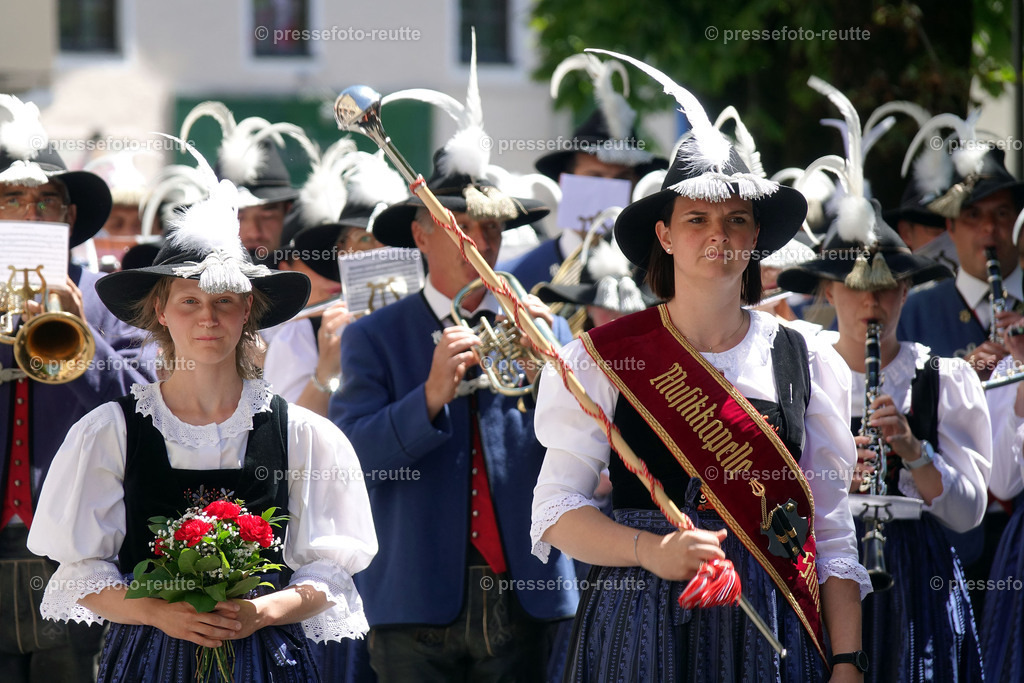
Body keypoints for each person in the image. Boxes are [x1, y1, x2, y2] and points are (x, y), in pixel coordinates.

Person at [531, 53, 868, 682]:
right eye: (697, 218)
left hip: (770, 614)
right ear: (664, 235)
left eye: (737, 219)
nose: (719, 234)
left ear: (756, 235)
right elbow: (555, 512)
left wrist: (847, 661)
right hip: (640, 618)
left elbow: (831, 530)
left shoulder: (807, 358)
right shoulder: (606, 358)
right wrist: (651, 551)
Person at [25, 152, 377, 682]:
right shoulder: (112, 432)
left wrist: (263, 612)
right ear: (161, 312)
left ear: (249, 310)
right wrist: (155, 611)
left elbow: (328, 573)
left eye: (226, 300)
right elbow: (81, 572)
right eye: (189, 301)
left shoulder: (302, 435)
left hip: (266, 660)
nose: (208, 317)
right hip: (149, 657)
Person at [330, 127, 580, 679]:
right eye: (460, 227)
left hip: (525, 590)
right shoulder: (374, 336)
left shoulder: (545, 327)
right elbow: (350, 459)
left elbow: (591, 449)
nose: (480, 243)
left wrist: (557, 372)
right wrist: (429, 398)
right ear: (422, 237)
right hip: (410, 596)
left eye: (490, 228)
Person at [778, 202, 989, 682]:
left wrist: (916, 452)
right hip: (823, 567)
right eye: (856, 289)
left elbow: (968, 513)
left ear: (906, 290)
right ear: (830, 290)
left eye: (887, 289)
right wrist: (831, 483)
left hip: (916, 567)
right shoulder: (798, 376)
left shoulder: (943, 378)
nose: (871, 305)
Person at [0, 94, 154, 682]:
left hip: (76, 556)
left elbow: (150, 408)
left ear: (68, 219)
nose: (32, 215)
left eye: (47, 203)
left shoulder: (108, 298)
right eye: (12, 199)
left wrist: (84, 335)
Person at [504, 53, 667, 291]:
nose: (608, 191)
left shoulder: (658, 276)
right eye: (595, 177)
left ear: (636, 189)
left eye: (621, 180)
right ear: (564, 182)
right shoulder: (519, 273)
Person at [264, 148, 404, 416]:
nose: (379, 252)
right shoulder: (302, 333)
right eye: (364, 239)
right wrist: (326, 372)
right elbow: (287, 443)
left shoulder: (437, 315)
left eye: (391, 240)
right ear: (341, 251)